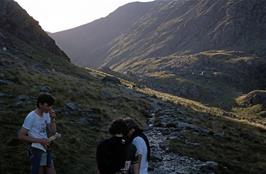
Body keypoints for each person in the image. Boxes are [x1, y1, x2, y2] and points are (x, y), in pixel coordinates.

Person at [18, 93, 57, 174]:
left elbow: (52, 131)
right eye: (48, 106)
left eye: (51, 106)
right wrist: (40, 141)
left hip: (46, 146)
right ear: (40, 104)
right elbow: (21, 136)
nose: (50, 108)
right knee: (40, 171)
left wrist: (53, 119)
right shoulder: (31, 117)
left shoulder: (46, 114)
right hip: (35, 148)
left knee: (51, 170)